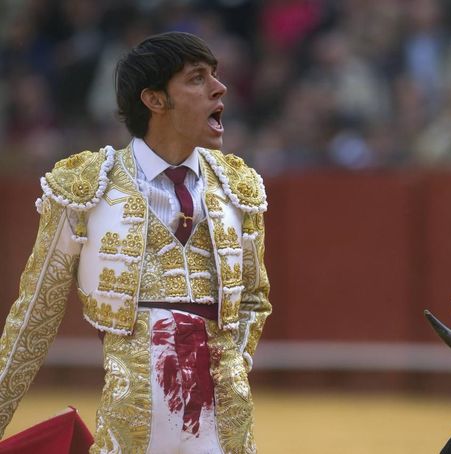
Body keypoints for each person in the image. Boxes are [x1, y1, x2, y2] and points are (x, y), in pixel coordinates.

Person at [0, 31, 271, 453]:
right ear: (155, 99)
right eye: (197, 78)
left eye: (214, 75)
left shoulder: (239, 186)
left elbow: (254, 298)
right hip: (135, 419)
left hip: (225, 420)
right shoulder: (88, 187)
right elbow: (35, 317)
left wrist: (231, 364)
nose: (220, 88)